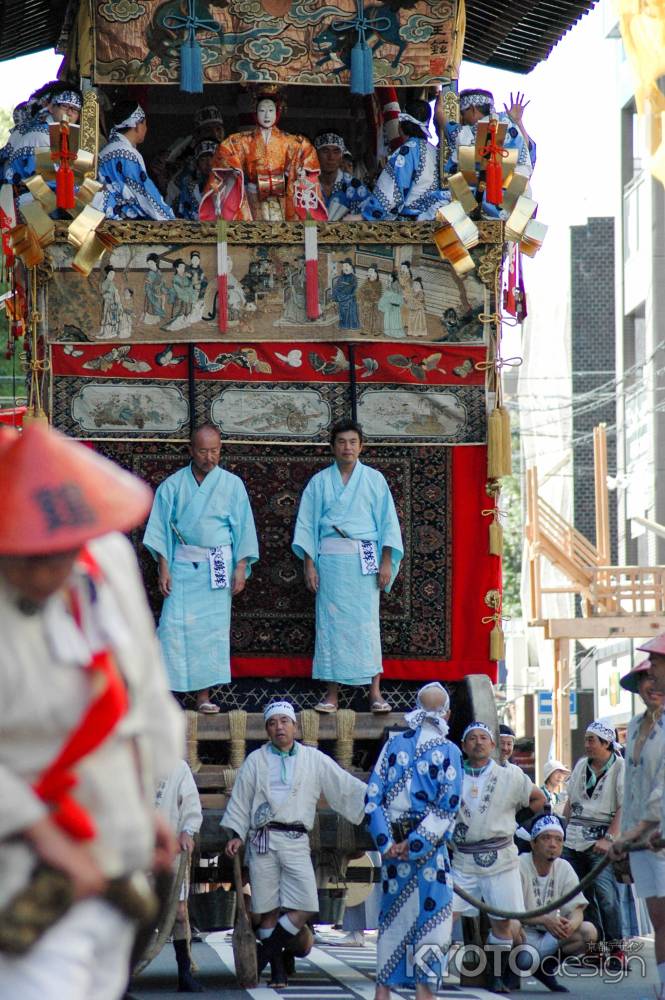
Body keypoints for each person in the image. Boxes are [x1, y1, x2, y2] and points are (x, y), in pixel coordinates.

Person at [0, 424, 183, 999]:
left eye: (55, 557)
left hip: (117, 851)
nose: (40, 572)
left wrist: (142, 798)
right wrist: (48, 841)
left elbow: (143, 690)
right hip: (31, 865)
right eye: (24, 559)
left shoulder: (108, 557)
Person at [222, 700, 366, 988]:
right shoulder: (256, 760)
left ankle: (263, 954)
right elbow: (240, 800)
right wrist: (237, 833)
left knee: (306, 905)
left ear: (296, 727)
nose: (279, 727)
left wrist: (375, 797)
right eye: (273, 723)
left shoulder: (313, 758)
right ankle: (276, 971)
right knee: (267, 908)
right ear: (267, 729)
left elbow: (343, 785)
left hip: (296, 838)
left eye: (285, 722)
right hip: (263, 839)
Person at [143, 423, 259, 713]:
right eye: (204, 451)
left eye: (215, 451)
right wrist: (163, 568)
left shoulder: (232, 484)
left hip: (217, 565)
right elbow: (160, 530)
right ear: (190, 451)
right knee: (172, 628)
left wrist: (241, 566)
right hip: (182, 564)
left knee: (210, 631)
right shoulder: (172, 485)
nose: (210, 457)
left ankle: (204, 696)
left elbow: (243, 528)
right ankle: (165, 696)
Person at [292, 418, 403, 715]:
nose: (347, 447)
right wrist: (309, 566)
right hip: (330, 561)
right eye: (341, 442)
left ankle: (375, 692)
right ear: (332, 447)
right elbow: (307, 526)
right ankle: (331, 695)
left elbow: (388, 524)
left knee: (367, 625)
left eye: (353, 442)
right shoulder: (319, 482)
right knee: (330, 626)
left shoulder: (375, 480)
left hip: (364, 559)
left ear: (361, 446)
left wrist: (387, 562)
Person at [365, 683, 463, 1000]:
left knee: (393, 920)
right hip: (430, 853)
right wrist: (417, 842)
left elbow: (373, 797)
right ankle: (424, 993)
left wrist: (387, 843)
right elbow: (448, 806)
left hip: (394, 849)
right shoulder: (450, 752)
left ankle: (384, 991)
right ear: (446, 713)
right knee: (433, 924)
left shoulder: (393, 746)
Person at [451, 722, 547, 993]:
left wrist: (515, 823)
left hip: (501, 855)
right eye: (472, 738)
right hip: (464, 857)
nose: (478, 742)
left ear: (493, 745)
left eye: (484, 738)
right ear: (463, 745)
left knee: (503, 921)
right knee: (446, 915)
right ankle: (426, 971)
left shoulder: (511, 776)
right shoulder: (452, 775)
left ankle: (496, 976)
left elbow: (538, 799)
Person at [610, 657, 665, 999]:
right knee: (659, 920)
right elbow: (632, 786)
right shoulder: (634, 725)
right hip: (641, 841)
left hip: (659, 834)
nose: (653, 686)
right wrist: (626, 837)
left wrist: (632, 833)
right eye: (646, 680)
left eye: (657, 678)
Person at [199, 87, 327, 222]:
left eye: (271, 111)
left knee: (280, 235)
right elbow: (225, 152)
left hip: (280, 195)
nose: (266, 116)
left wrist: (300, 170)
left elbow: (305, 152)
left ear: (277, 112)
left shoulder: (291, 141)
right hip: (253, 194)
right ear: (255, 113)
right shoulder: (242, 140)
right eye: (262, 111)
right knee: (252, 233)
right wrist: (233, 168)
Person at [562, 720, 625, 968]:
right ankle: (594, 949)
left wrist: (609, 838)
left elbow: (624, 805)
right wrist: (561, 831)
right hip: (574, 838)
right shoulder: (581, 765)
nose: (586, 744)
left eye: (592, 740)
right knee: (582, 898)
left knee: (607, 896)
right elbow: (569, 802)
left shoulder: (619, 767)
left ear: (606, 743)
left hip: (601, 838)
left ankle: (616, 949)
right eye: (586, 739)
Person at [517, 813, 597, 992]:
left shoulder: (564, 867)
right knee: (511, 925)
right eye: (546, 838)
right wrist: (545, 920)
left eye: (558, 840)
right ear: (533, 843)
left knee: (587, 931)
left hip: (548, 935)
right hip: (523, 936)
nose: (553, 844)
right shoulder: (519, 864)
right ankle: (505, 973)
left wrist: (571, 924)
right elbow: (511, 911)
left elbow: (577, 908)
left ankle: (546, 968)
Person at [155, 759, 204, 993]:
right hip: (132, 850)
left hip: (169, 849)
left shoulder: (177, 766)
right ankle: (121, 978)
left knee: (180, 913)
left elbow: (191, 804)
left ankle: (184, 973)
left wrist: (187, 830)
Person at [359, 100, 451, 222]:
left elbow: (390, 192)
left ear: (401, 125)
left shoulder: (406, 151)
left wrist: (366, 215)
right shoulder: (436, 151)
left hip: (411, 224)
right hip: (434, 219)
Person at [95, 102, 175, 221]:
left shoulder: (105, 151)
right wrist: (169, 218)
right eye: (145, 124)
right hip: (122, 221)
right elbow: (144, 193)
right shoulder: (127, 153)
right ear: (138, 125)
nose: (146, 129)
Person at [3, 82, 82, 187]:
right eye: (64, 106)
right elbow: (46, 182)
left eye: (75, 110)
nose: (69, 113)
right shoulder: (40, 136)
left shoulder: (65, 137)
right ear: (51, 107)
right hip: (27, 198)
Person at [314, 131, 369, 221]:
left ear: (341, 156)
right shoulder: (305, 186)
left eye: (336, 151)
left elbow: (371, 217)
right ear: (316, 154)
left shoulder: (356, 187)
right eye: (325, 151)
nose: (331, 157)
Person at [177, 140, 217, 220]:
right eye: (203, 159)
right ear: (197, 164)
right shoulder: (189, 189)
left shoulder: (228, 185)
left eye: (212, 158)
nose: (208, 163)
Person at [331, 258, 360, 330]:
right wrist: (334, 298)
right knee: (343, 315)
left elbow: (352, 290)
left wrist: (343, 295)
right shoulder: (341, 278)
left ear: (351, 267)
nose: (345, 268)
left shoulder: (354, 278)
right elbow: (336, 288)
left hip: (350, 300)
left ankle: (353, 326)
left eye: (346, 266)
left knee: (351, 314)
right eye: (343, 267)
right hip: (342, 300)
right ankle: (344, 326)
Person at [357, 265, 382, 336]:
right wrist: (361, 296)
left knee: (375, 317)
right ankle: (366, 330)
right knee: (366, 316)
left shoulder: (378, 283)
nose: (369, 273)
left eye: (371, 272)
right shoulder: (366, 282)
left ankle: (375, 330)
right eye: (368, 272)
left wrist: (371, 295)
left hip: (374, 303)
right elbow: (361, 290)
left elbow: (378, 294)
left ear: (375, 274)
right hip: (366, 302)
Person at [378, 272, 405, 338]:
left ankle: (395, 333)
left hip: (394, 306)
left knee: (394, 321)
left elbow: (397, 296)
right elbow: (387, 293)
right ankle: (388, 332)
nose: (388, 278)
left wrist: (389, 296)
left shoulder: (396, 284)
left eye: (389, 276)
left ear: (393, 277)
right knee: (388, 319)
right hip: (389, 305)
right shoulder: (390, 283)